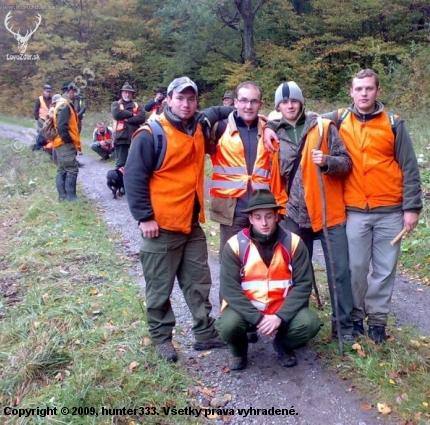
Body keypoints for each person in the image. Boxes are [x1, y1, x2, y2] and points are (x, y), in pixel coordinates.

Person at [124, 76, 230, 362]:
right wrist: (144, 218)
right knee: (159, 288)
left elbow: (221, 111)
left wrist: (261, 118)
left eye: (191, 98)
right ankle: (161, 339)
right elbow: (133, 178)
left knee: (199, 281)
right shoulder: (151, 133)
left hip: (191, 223)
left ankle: (204, 332)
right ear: (167, 100)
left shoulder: (198, 124)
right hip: (160, 227)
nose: (186, 104)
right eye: (180, 98)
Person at [324, 69, 422, 343]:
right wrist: (269, 123)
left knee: (384, 270)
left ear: (378, 90)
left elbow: (409, 167)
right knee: (356, 268)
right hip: (354, 211)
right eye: (359, 89)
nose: (364, 93)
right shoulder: (338, 119)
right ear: (351, 92)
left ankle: (377, 321)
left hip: (390, 211)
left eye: (369, 88)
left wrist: (411, 208)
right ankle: (355, 319)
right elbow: (303, 122)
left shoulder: (393, 123)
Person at [267, 81, 355, 343]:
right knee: (296, 274)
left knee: (339, 271)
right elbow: (274, 177)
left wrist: (328, 162)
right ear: (278, 107)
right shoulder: (273, 134)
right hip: (294, 215)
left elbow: (346, 163)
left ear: (301, 102)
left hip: (329, 212)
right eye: (284, 102)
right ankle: (300, 327)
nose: (289, 105)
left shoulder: (323, 128)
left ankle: (344, 329)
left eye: (293, 101)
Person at [216, 189, 321, 370]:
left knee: (310, 323)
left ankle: (282, 344)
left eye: (268, 217)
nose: (263, 223)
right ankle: (239, 352)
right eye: (258, 217)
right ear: (250, 219)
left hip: (281, 307)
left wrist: (280, 317)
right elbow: (229, 289)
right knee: (227, 325)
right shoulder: (234, 245)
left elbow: (303, 284)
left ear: (277, 216)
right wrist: (258, 319)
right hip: (247, 309)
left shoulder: (294, 243)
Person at [209, 81, 269, 256]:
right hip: (232, 211)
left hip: (262, 210)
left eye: (253, 101)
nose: (248, 106)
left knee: (262, 262)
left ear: (261, 104)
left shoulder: (269, 129)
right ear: (235, 102)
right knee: (231, 262)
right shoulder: (219, 128)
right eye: (243, 100)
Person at [51, 82, 81, 201]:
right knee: (72, 169)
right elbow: (61, 126)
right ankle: (71, 197)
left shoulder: (62, 104)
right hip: (64, 144)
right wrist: (68, 141)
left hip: (60, 142)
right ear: (68, 91)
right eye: (74, 91)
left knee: (62, 169)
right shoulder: (64, 105)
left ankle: (62, 197)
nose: (75, 93)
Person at [111, 82, 146, 168]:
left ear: (132, 94)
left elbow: (141, 118)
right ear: (122, 93)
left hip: (135, 137)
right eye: (125, 92)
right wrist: (131, 114)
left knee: (136, 163)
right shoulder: (116, 104)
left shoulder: (138, 106)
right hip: (121, 137)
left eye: (129, 92)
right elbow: (116, 114)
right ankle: (119, 180)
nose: (127, 94)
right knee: (120, 164)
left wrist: (127, 119)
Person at [32, 84, 52, 151]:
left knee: (47, 135)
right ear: (44, 91)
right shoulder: (39, 99)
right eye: (47, 91)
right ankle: (37, 147)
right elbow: (36, 110)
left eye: (49, 92)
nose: (48, 93)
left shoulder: (52, 100)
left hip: (49, 120)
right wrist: (37, 118)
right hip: (41, 119)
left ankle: (45, 147)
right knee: (40, 134)